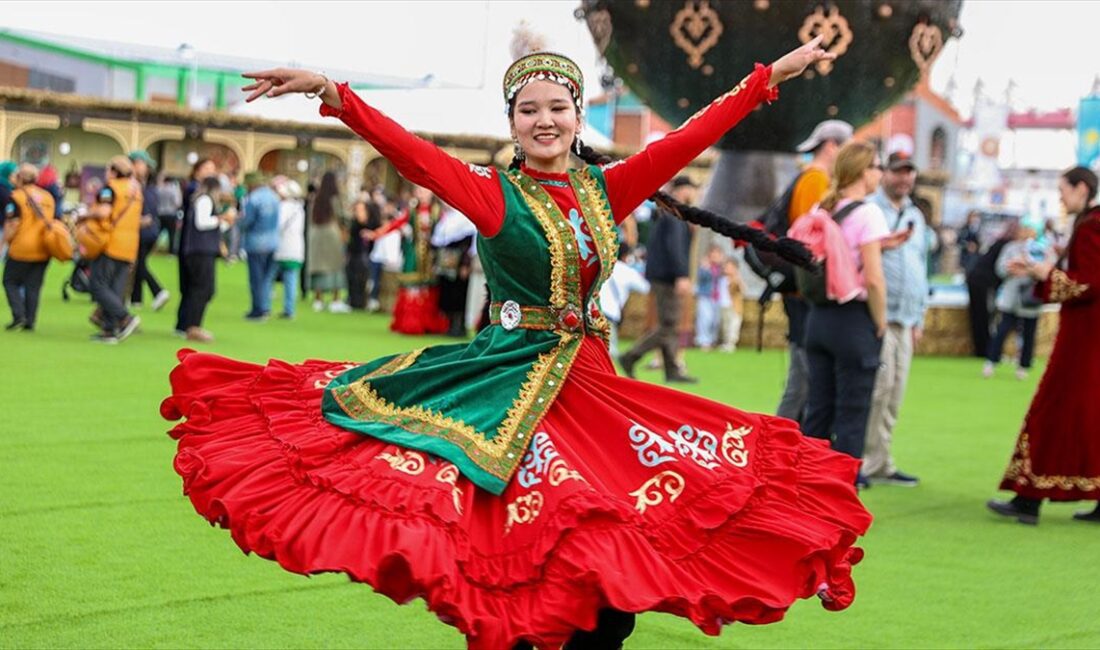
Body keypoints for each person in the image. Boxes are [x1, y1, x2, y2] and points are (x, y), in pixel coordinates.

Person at [163, 39, 871, 650]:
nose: (543, 120)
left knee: (613, 566)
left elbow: (689, 137)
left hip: (594, 389)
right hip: (510, 384)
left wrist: (769, 76)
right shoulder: (493, 194)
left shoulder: (606, 190)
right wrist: (332, 92)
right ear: (511, 123)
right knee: (518, 552)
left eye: (556, 107)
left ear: (576, 117)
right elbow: (412, 156)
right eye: (528, 110)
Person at [987, 166, 1100, 525]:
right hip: (1088, 333)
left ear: (1081, 188)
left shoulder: (1091, 225)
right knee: (1087, 414)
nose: (1060, 198)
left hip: (1083, 336)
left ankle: (1029, 495)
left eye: (1063, 190)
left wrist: (1043, 274)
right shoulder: (1088, 223)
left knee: (1052, 409)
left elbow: (1088, 283)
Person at [790, 141, 905, 489]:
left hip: (818, 319)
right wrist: (881, 321)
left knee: (818, 409)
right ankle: (842, 487)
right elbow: (873, 278)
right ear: (862, 172)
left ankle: (807, 483)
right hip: (852, 319)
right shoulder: (868, 213)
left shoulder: (824, 206)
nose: (880, 174)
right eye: (876, 167)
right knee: (853, 411)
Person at [776, 119, 853, 422]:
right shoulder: (815, 182)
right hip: (803, 290)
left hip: (802, 290)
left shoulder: (813, 179)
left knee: (807, 378)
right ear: (832, 146)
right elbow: (809, 241)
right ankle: (778, 444)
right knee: (803, 380)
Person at [862, 152, 926, 487]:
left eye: (909, 173)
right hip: (880, 314)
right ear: (885, 173)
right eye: (898, 172)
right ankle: (864, 460)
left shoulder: (916, 214)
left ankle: (881, 460)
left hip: (907, 315)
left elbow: (922, 265)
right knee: (878, 388)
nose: (904, 179)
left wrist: (920, 317)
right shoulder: (871, 209)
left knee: (895, 392)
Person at [618, 176, 699, 383]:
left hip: (662, 275)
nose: (693, 194)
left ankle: (672, 370)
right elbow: (675, 247)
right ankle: (630, 356)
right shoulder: (674, 214)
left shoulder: (667, 212)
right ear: (683, 190)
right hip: (668, 276)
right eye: (691, 189)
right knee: (669, 325)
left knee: (668, 324)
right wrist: (682, 275)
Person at [366, 185, 450, 334]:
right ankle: (410, 323)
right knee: (412, 288)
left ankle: (427, 323)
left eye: (425, 191)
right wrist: (376, 234)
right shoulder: (411, 211)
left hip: (431, 256)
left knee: (428, 288)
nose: (422, 194)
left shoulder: (438, 212)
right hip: (414, 254)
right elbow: (395, 224)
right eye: (419, 191)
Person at [982, 216, 1050, 381]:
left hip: (1030, 297)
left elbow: (1046, 271)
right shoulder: (1010, 248)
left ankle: (1023, 365)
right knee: (1003, 330)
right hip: (1011, 297)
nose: (1026, 232)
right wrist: (1012, 269)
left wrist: (1028, 269)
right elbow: (1000, 269)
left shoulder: (1041, 249)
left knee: (1029, 333)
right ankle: (991, 361)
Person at [86, 155, 142, 344]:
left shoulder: (111, 189)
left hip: (110, 242)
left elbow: (104, 212)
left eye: (108, 169)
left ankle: (125, 317)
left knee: (98, 284)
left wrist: (85, 214)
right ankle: (109, 330)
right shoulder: (136, 191)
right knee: (115, 288)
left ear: (114, 171)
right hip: (130, 245)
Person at [176, 176, 235, 342]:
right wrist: (221, 218)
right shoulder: (204, 200)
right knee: (202, 289)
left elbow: (212, 227)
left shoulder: (203, 201)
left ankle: (188, 324)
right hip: (200, 252)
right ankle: (193, 326)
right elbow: (202, 223)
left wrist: (226, 222)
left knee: (200, 289)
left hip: (201, 250)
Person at [3, 163, 56, 331]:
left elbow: (13, 223)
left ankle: (18, 315)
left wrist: (3, 242)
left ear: (20, 178)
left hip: (22, 247)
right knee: (33, 286)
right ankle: (30, 320)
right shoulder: (47, 197)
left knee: (10, 281)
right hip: (44, 247)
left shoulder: (16, 196)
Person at [965, 220, 1016, 357]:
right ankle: (987, 350)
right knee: (985, 316)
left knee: (978, 316)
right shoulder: (1008, 246)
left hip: (976, 279)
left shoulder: (1000, 242)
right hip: (984, 282)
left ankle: (981, 349)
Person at [128, 150, 170, 311]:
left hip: (145, 231)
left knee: (139, 264)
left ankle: (157, 290)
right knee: (139, 263)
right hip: (144, 230)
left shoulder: (145, 187)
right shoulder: (145, 186)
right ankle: (136, 299)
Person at [240, 172, 282, 321]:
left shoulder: (253, 199)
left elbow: (247, 221)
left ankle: (258, 309)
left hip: (256, 243)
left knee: (256, 278)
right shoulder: (274, 197)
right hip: (273, 241)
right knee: (267, 278)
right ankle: (266, 307)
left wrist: (239, 223)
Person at [431, 203, 478, 337]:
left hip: (460, 261)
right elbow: (439, 241)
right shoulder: (446, 218)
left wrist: (465, 264)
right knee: (447, 293)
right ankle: (449, 324)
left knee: (459, 293)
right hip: (446, 260)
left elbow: (470, 244)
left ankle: (459, 326)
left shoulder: (466, 219)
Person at [307, 171, 351, 313]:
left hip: (316, 235)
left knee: (319, 267)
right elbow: (342, 216)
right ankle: (335, 300)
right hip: (332, 234)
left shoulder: (316, 198)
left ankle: (318, 299)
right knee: (335, 267)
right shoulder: (335, 198)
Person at [598, 247, 650, 355]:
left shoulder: (602, 267)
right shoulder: (627, 271)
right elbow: (645, 288)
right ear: (625, 256)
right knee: (610, 354)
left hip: (594, 311)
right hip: (609, 315)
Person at [272, 176, 305, 319]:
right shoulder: (300, 208)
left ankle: (265, 306)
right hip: (296, 247)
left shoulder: (284, 207)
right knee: (291, 279)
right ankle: (289, 309)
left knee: (269, 277)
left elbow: (278, 225)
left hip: (282, 246)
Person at [694, 243, 729, 351]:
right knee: (705, 318)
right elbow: (701, 278)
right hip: (706, 296)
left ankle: (712, 339)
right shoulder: (705, 266)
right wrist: (706, 267)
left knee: (715, 320)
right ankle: (703, 340)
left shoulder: (721, 268)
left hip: (717, 297)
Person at [719, 256, 744, 352]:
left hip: (734, 306)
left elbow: (742, 290)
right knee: (725, 325)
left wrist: (736, 280)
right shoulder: (722, 279)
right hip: (724, 305)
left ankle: (731, 343)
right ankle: (726, 342)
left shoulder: (736, 280)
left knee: (733, 325)